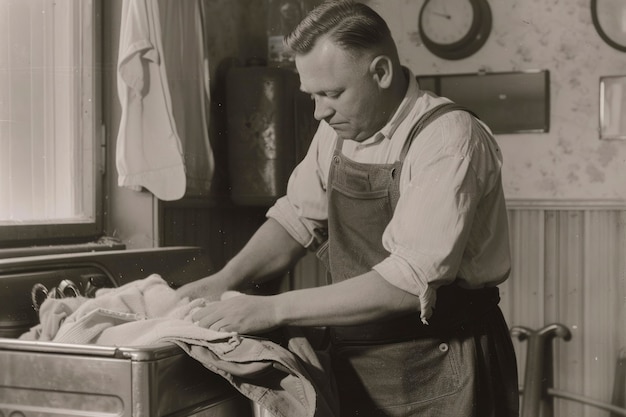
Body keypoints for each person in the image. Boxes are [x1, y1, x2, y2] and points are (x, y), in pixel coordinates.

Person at [178, 1, 519, 415]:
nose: (320, 111)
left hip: (446, 363)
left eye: (332, 93)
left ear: (381, 72)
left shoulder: (448, 138)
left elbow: (406, 283)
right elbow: (297, 219)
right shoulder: (336, 130)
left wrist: (273, 308)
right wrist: (225, 278)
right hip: (364, 358)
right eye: (313, 95)